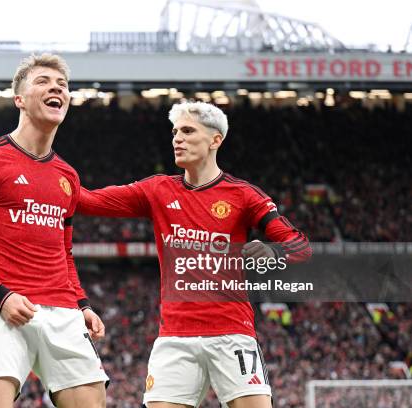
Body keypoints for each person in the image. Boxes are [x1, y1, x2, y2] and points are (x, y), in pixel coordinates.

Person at [77, 101, 312, 408]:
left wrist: (273, 250)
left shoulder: (244, 195)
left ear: (216, 140)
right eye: (175, 132)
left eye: (188, 131)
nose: (177, 138)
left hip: (232, 334)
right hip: (175, 337)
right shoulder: (158, 190)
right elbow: (88, 200)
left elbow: (300, 247)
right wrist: (49, 178)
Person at [0, 53, 108, 408]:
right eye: (43, 82)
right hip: (5, 311)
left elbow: (64, 251)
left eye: (62, 85)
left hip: (64, 313)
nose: (56, 89)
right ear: (19, 98)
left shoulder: (68, 176)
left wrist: (82, 303)